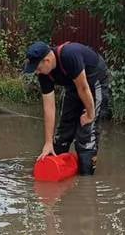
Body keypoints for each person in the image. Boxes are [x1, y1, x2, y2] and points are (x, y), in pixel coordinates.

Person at [23, 41, 109, 175]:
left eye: (38, 68)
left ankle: (86, 180)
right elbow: (49, 107)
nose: (37, 71)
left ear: (47, 60)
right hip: (74, 85)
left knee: (86, 133)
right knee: (63, 131)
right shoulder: (44, 74)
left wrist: (90, 115)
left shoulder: (69, 55)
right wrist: (48, 143)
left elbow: (83, 88)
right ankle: (56, 168)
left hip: (93, 81)